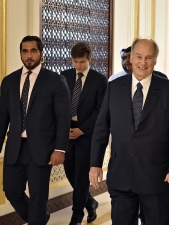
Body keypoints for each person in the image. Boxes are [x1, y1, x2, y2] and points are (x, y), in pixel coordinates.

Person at [89, 37, 169, 225]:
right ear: (131, 59)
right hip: (121, 177)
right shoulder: (114, 87)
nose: (143, 62)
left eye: (149, 57)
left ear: (155, 60)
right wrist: (95, 164)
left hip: (158, 178)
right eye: (139, 56)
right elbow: (101, 128)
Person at [0, 35, 70, 225]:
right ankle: (39, 219)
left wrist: (60, 149)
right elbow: (2, 118)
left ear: (41, 53)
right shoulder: (8, 81)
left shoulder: (56, 80)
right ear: (21, 54)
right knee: (11, 190)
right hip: (15, 147)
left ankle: (37, 219)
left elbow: (63, 118)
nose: (29, 55)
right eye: (25, 51)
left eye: (33, 51)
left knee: (38, 197)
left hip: (42, 148)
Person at [60, 42, 108, 225]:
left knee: (81, 178)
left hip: (86, 135)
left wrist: (83, 129)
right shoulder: (64, 76)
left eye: (82, 62)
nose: (78, 66)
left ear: (89, 59)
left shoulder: (99, 80)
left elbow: (100, 110)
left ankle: (76, 217)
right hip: (66, 132)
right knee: (70, 173)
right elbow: (59, 105)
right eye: (75, 62)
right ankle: (90, 202)